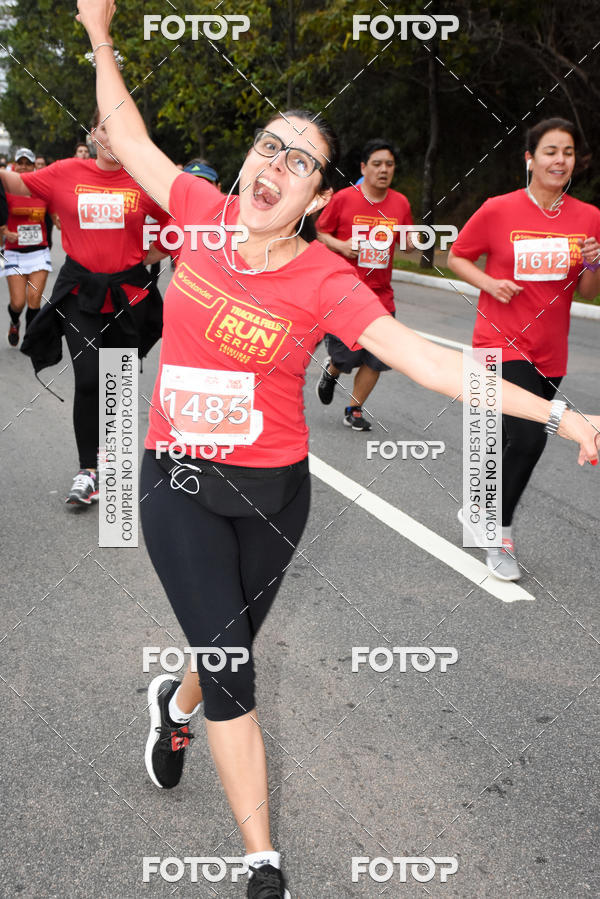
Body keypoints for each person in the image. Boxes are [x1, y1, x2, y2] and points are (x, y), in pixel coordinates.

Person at [76, 4, 600, 895]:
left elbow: (431, 364)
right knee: (237, 668)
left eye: (300, 160)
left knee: (224, 646)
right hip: (175, 479)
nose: (275, 165)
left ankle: (173, 699)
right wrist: (98, 33)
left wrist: (564, 417)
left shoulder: (327, 279)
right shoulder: (199, 213)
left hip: (275, 494)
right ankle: (262, 864)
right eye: (268, 147)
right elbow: (127, 134)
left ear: (320, 197)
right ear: (247, 165)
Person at [448, 116, 600, 581]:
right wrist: (490, 282)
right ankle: (498, 535)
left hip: (550, 351)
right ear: (530, 158)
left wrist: (595, 262)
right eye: (550, 151)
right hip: (499, 342)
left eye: (568, 153)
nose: (560, 160)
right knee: (531, 438)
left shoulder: (588, 216)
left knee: (513, 441)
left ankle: (477, 509)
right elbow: (455, 255)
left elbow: (588, 290)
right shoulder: (498, 209)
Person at [0, 111, 170, 506]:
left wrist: (145, 257)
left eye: (120, 129)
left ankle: (117, 466)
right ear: (92, 133)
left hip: (129, 295)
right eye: (104, 128)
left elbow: (175, 226)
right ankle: (88, 471)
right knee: (91, 378)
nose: (110, 137)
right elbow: (14, 181)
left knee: (121, 386)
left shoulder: (145, 179)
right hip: (80, 295)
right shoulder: (65, 172)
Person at [315, 138, 414, 430]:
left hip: (382, 296)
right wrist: (341, 246)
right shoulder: (344, 198)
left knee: (377, 358)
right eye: (377, 164)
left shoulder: (400, 202)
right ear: (363, 167)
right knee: (347, 356)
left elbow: (408, 242)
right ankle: (332, 370)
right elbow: (319, 233)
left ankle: (353, 409)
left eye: (389, 165)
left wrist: (412, 242)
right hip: (344, 293)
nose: (383, 170)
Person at [1, 148, 52, 347]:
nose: (23, 167)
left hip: (39, 251)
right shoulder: (5, 190)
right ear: (14, 165)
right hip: (14, 253)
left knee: (34, 299)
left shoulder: (43, 189)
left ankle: (31, 341)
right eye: (19, 163)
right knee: (18, 302)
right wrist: (5, 234)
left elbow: (57, 212)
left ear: (33, 166)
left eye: (27, 163)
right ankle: (15, 322)